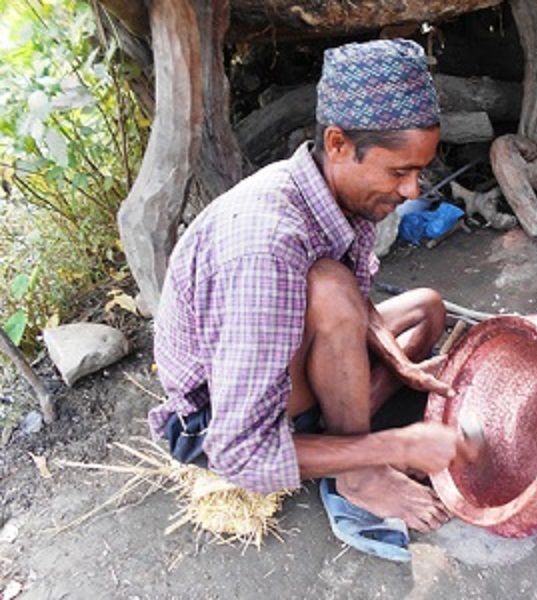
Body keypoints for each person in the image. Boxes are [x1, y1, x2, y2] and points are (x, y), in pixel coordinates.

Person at [148, 39, 471, 560]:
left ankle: (341, 425)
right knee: (330, 287)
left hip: (282, 351)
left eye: (418, 171)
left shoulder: (334, 192)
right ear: (339, 142)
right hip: (216, 421)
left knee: (427, 308)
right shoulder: (265, 247)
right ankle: (356, 476)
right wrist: (398, 445)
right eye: (398, 172)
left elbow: (352, 299)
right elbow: (237, 453)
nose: (413, 191)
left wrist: (391, 356)